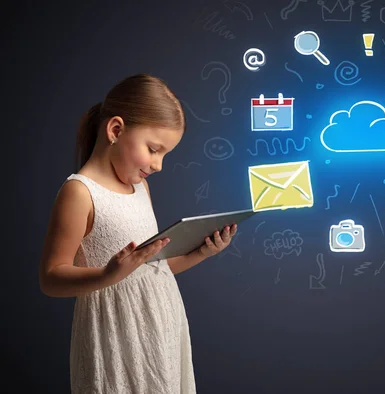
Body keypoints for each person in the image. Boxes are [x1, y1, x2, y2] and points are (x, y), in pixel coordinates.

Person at [39, 73, 237, 393]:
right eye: (153, 149)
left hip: (162, 328)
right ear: (116, 130)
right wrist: (107, 274)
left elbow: (150, 270)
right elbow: (50, 278)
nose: (158, 165)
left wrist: (201, 252)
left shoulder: (140, 187)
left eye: (165, 155)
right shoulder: (80, 192)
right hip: (116, 337)